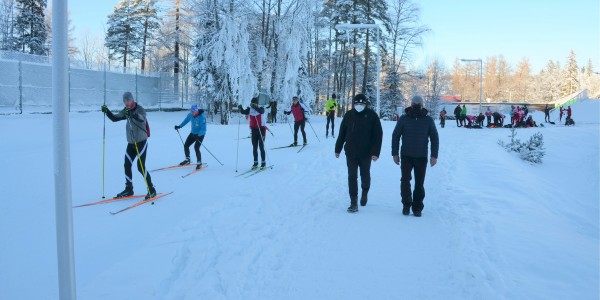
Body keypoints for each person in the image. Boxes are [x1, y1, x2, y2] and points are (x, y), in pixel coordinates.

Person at [101, 92, 156, 199]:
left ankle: (152, 189)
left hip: (141, 142)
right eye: (125, 100)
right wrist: (107, 111)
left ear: (132, 100)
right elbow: (115, 118)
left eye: (128, 100)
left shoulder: (139, 109)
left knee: (140, 167)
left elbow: (141, 118)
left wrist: (132, 114)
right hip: (131, 143)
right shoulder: (126, 110)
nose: (126, 102)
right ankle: (129, 189)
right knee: (127, 165)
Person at [391, 95, 439, 217]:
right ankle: (406, 205)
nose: (416, 105)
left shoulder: (428, 120)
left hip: (421, 156)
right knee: (405, 181)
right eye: (414, 103)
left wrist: (434, 155)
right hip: (406, 155)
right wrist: (395, 153)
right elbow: (395, 136)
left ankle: (417, 207)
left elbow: (434, 138)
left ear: (422, 105)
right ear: (411, 105)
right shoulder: (404, 119)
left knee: (419, 183)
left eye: (418, 103)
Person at [335, 94, 383, 213]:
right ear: (354, 104)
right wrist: (338, 148)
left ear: (365, 104)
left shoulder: (372, 116)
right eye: (357, 104)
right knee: (352, 176)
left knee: (365, 175)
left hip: (366, 153)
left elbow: (378, 135)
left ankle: (365, 192)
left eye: (361, 104)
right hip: (350, 152)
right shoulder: (349, 115)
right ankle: (353, 201)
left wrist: (375, 152)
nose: (359, 106)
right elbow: (342, 133)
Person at [175, 105, 207, 170]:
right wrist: (179, 126)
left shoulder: (202, 117)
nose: (192, 113)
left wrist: (199, 135)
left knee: (196, 147)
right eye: (191, 111)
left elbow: (203, 129)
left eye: (193, 112)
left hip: (200, 135)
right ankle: (187, 160)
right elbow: (186, 120)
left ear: (197, 111)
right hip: (193, 133)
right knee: (186, 145)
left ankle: (199, 162)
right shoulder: (191, 115)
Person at [238, 97, 267, 169]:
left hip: (261, 129)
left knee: (261, 146)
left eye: (254, 103)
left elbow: (261, 112)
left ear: (257, 103)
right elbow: (244, 112)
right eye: (252, 103)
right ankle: (255, 163)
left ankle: (263, 162)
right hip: (254, 130)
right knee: (254, 147)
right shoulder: (250, 109)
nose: (253, 104)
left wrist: (254, 106)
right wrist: (241, 108)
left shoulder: (261, 108)